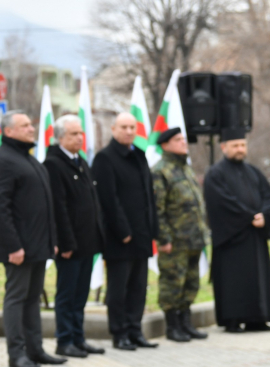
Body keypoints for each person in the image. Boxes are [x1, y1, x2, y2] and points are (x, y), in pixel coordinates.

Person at [0, 111, 63, 367]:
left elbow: (45, 204)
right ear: (8, 131)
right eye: (26, 125)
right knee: (17, 297)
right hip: (19, 247)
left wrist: (51, 238)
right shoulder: (1, 161)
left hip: (38, 244)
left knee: (33, 298)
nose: (32, 128)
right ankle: (16, 354)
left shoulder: (28, 159)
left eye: (31, 124)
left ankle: (35, 349)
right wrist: (12, 246)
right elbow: (0, 208)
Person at [92, 112, 159, 351]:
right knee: (118, 289)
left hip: (141, 235)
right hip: (119, 237)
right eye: (124, 127)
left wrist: (153, 229)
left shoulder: (139, 155)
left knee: (139, 287)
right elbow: (108, 200)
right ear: (113, 129)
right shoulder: (104, 158)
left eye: (132, 127)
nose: (129, 131)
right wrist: (123, 231)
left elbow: (148, 196)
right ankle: (119, 333)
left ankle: (135, 329)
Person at [43, 114, 106, 358]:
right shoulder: (54, 164)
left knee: (81, 294)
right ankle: (64, 340)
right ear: (60, 137)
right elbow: (59, 207)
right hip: (71, 244)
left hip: (88, 241)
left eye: (80, 133)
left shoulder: (81, 161)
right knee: (67, 294)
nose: (79, 138)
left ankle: (79, 338)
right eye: (73, 134)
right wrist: (65, 242)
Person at [204, 129, 270, 332]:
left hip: (255, 236)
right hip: (231, 238)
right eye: (235, 146)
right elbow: (222, 203)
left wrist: (264, 216)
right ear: (223, 147)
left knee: (258, 278)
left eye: (242, 145)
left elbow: (267, 196)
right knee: (233, 280)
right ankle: (233, 319)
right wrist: (250, 217)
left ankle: (256, 318)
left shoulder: (253, 171)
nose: (240, 149)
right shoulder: (215, 174)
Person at [151, 128, 209, 341]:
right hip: (175, 241)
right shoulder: (160, 171)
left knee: (191, 283)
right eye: (178, 140)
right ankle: (172, 325)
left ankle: (186, 322)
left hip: (194, 238)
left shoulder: (186, 169)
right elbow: (158, 209)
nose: (183, 143)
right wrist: (164, 238)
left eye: (183, 140)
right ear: (165, 145)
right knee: (172, 283)